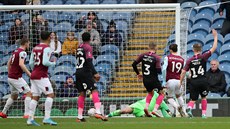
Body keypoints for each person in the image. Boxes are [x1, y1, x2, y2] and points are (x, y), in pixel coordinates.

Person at [180, 29, 218, 118]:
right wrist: (215, 36)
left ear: (193, 50)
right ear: (200, 50)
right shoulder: (203, 56)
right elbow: (214, 48)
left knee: (193, 99)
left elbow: (183, 72)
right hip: (202, 80)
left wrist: (180, 82)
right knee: (204, 97)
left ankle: (189, 107)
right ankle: (204, 114)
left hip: (193, 81)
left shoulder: (190, 60)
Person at [75, 32, 108, 122]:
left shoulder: (79, 47)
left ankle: (79, 117)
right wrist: (95, 73)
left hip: (78, 71)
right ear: (90, 39)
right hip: (85, 72)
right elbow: (89, 61)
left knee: (82, 93)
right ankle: (98, 112)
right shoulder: (88, 47)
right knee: (94, 89)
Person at [27, 31, 57, 126]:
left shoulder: (35, 48)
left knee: (35, 97)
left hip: (34, 74)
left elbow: (31, 63)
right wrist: (53, 63)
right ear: (49, 38)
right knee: (50, 95)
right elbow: (44, 62)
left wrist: (35, 69)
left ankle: (30, 119)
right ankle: (47, 118)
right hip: (41, 75)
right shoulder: (47, 48)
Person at [0, 38, 32, 119]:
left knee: (14, 96)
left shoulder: (15, 51)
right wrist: (29, 74)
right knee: (29, 93)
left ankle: (3, 112)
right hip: (16, 78)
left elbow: (8, 63)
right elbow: (21, 64)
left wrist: (10, 72)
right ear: (25, 43)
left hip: (11, 77)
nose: (29, 45)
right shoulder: (23, 52)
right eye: (28, 43)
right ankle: (26, 114)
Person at [132, 42, 164, 117]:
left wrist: (138, 74)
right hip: (154, 79)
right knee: (162, 94)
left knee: (150, 93)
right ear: (156, 48)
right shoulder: (157, 57)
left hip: (145, 80)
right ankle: (155, 110)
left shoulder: (143, 55)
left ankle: (146, 107)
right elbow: (158, 70)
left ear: (148, 47)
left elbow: (133, 64)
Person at [162, 44, 186, 117]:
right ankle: (184, 111)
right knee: (179, 96)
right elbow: (185, 71)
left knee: (169, 97)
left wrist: (164, 80)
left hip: (170, 80)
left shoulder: (167, 58)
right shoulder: (182, 59)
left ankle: (177, 107)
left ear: (170, 50)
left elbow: (163, 69)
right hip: (178, 81)